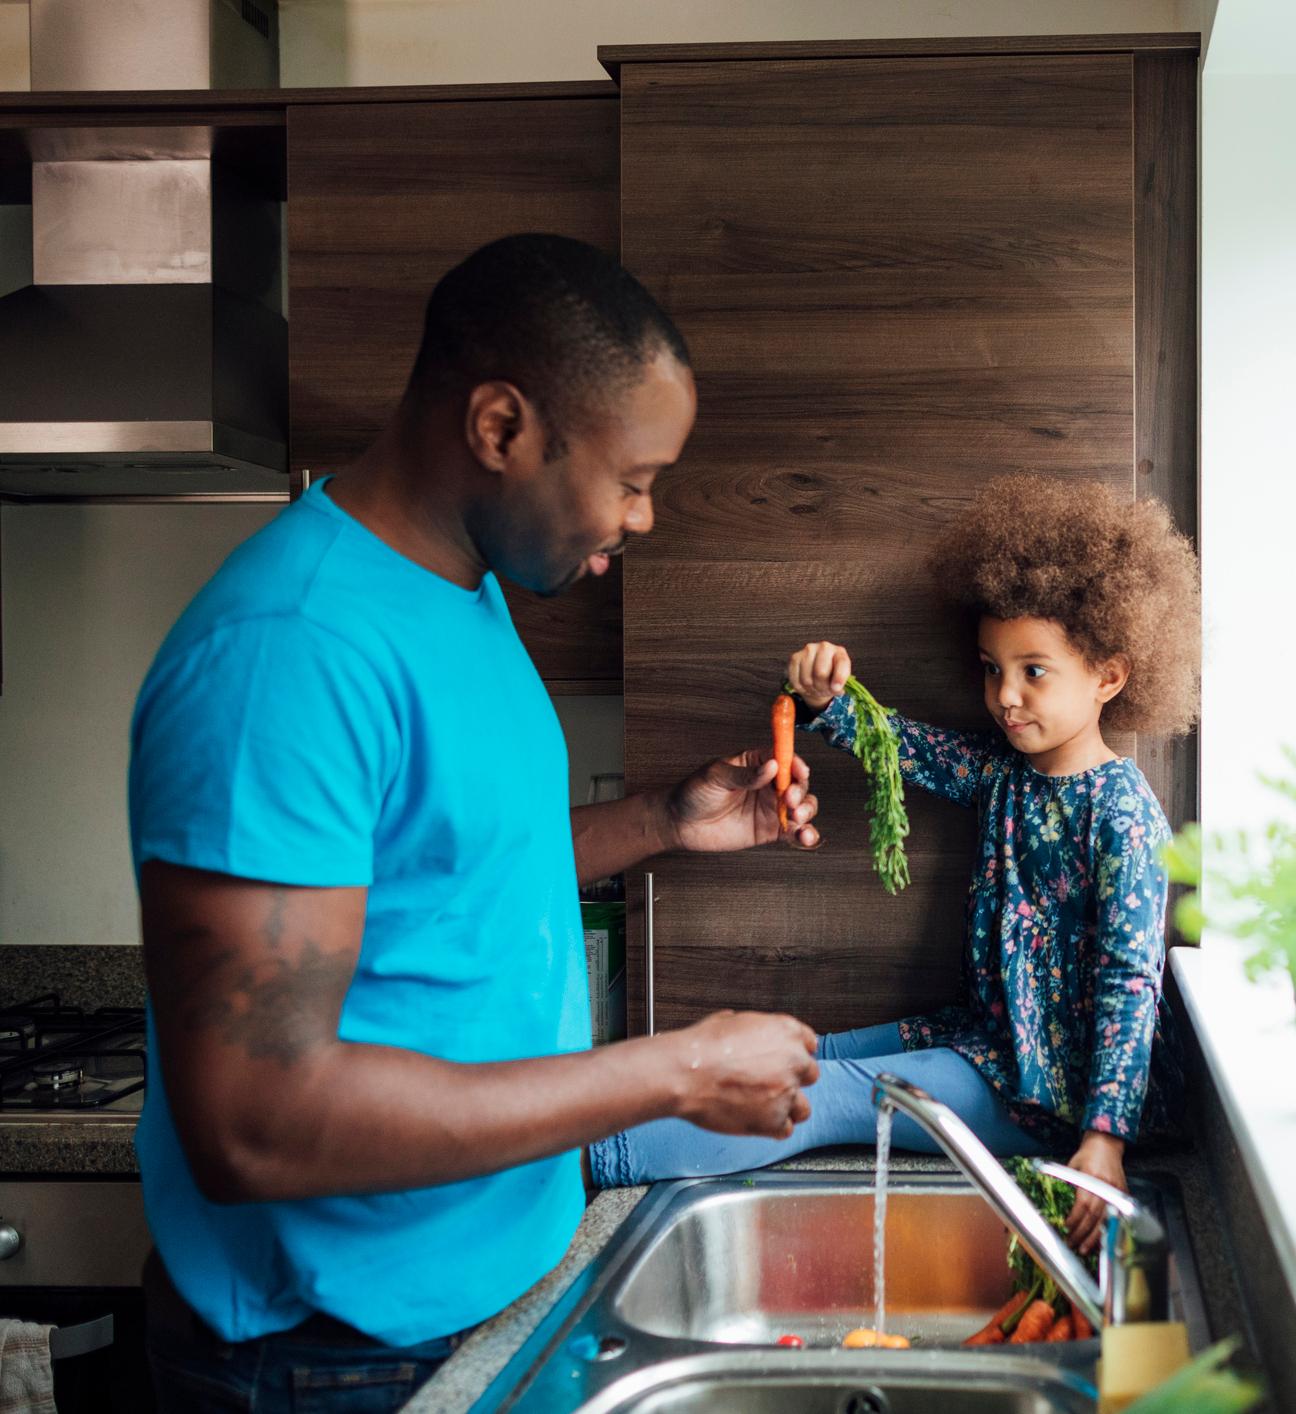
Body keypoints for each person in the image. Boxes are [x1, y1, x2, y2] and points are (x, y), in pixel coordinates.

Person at [129, 234, 823, 1412]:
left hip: (477, 1302)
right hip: (326, 1363)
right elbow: (255, 1122)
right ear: (500, 427)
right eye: (634, 478)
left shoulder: (465, 591)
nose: (645, 517)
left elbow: (435, 881)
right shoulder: (289, 652)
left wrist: (661, 819)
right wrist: (677, 1069)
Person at [588, 475, 1203, 1255]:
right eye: (991, 668)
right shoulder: (1003, 772)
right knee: (810, 1050)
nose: (1004, 696)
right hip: (989, 1044)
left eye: (1033, 671)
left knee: (826, 1094)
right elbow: (905, 746)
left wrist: (1104, 1137)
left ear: (1109, 676)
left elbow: (1130, 982)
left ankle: (584, 1157)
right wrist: (824, 700)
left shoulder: (1121, 813)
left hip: (1057, 1097)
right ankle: (594, 1108)